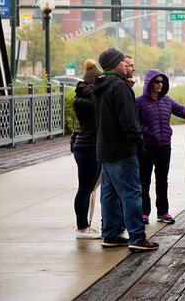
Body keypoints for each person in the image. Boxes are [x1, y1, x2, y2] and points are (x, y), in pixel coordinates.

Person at [93, 47, 158, 253]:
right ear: (115, 64)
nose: (127, 65)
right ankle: (137, 236)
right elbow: (129, 122)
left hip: (105, 149)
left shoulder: (99, 86)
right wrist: (138, 145)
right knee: (132, 193)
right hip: (122, 150)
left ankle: (111, 234)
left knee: (109, 194)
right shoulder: (120, 87)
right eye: (123, 61)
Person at [136, 70, 185, 225]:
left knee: (162, 180)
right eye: (157, 81)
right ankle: (143, 213)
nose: (160, 84)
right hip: (146, 147)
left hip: (164, 146)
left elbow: (183, 111)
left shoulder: (167, 101)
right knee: (144, 181)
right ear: (149, 83)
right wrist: (147, 132)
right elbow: (134, 123)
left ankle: (163, 212)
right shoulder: (139, 102)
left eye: (162, 81)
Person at [72, 59, 103, 239]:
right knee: (85, 188)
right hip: (88, 147)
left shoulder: (81, 96)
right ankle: (82, 228)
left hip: (85, 146)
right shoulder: (90, 99)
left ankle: (83, 226)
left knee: (86, 187)